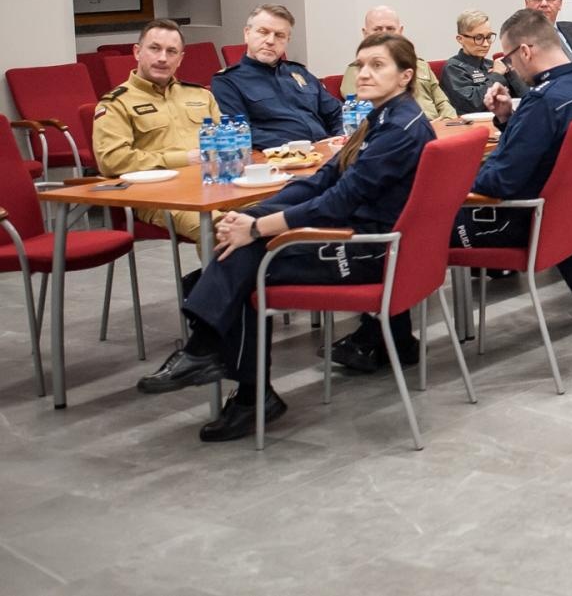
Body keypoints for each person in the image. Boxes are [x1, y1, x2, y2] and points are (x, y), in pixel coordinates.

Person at [133, 34, 434, 442]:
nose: (363, 74)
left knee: (237, 264)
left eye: (377, 66)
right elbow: (323, 179)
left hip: (369, 251)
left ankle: (230, 375)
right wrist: (250, 214)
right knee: (234, 258)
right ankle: (222, 368)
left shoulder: (398, 129)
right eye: (360, 64)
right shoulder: (381, 118)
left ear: (405, 76)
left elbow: (336, 203)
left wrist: (256, 229)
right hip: (367, 239)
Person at [330, 10, 572, 371]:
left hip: (511, 217)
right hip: (552, 215)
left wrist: (455, 180)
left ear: (526, 52)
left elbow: (502, 182)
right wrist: (504, 121)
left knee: (406, 225)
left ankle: (384, 339)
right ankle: (383, 337)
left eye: (509, 59)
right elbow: (536, 152)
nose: (510, 68)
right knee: (411, 215)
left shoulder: (542, 100)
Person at [92, 19, 222, 242]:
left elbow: (224, 143)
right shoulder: (116, 103)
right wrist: (181, 159)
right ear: (137, 52)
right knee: (218, 227)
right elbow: (112, 160)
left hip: (215, 186)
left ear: (180, 59)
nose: (163, 58)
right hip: (160, 197)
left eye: (171, 52)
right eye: (154, 48)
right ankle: (217, 278)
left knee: (280, 211)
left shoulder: (200, 95)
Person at [212, 4, 342, 150]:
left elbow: (336, 112)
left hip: (326, 151)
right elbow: (240, 131)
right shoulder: (228, 81)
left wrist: (342, 138)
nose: (270, 41)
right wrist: (293, 148)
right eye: (263, 32)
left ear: (287, 40)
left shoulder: (299, 73)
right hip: (277, 158)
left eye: (279, 35)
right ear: (247, 33)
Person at [339, 6, 455, 119]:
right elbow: (361, 115)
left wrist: (448, 121)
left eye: (390, 29)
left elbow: (442, 102)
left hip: (436, 128)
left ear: (400, 31)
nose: (385, 34)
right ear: (365, 33)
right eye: (377, 29)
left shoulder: (420, 65)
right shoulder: (358, 72)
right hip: (397, 128)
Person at [442, 9, 523, 115]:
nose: (486, 44)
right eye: (478, 38)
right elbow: (473, 104)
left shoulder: (493, 64)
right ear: (460, 39)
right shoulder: (453, 68)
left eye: (489, 37)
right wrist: (497, 75)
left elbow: (526, 97)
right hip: (473, 125)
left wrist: (511, 73)